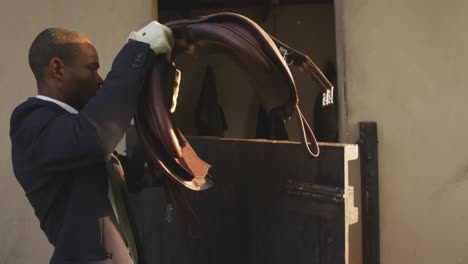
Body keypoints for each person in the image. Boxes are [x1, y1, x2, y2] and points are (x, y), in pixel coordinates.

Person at [10, 22, 173, 264]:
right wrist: (138, 50)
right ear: (57, 68)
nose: (99, 80)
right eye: (92, 68)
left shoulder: (73, 136)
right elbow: (93, 136)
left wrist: (157, 106)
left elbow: (141, 173)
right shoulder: (31, 124)